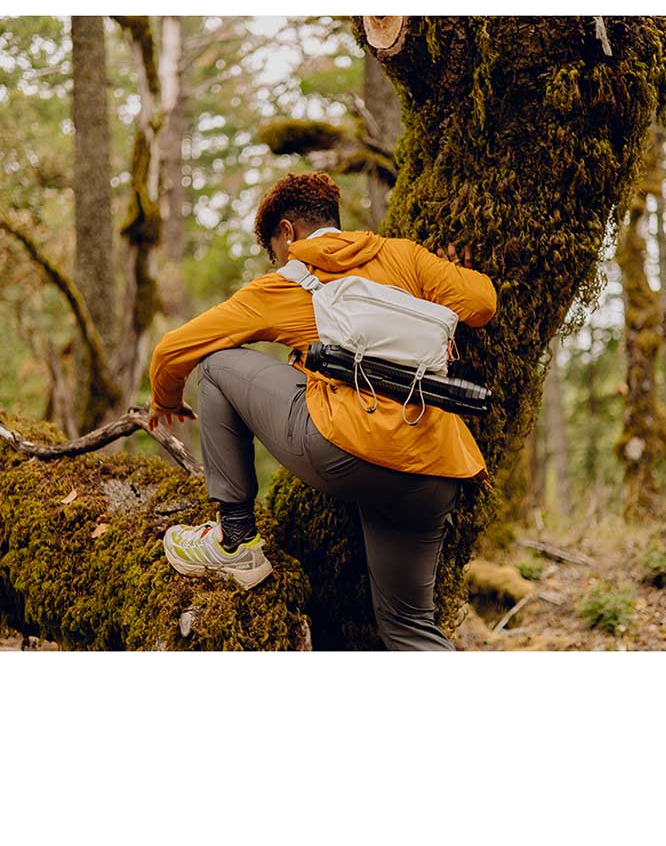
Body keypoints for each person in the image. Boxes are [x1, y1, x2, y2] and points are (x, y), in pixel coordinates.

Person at [147, 171, 497, 650]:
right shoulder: (403, 255)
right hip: (434, 469)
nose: (278, 261)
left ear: (287, 232)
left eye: (275, 250)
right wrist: (454, 271)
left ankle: (236, 541)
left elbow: (172, 350)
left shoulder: (284, 284)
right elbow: (481, 302)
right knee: (409, 627)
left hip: (349, 452)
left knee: (216, 366)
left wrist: (166, 399)